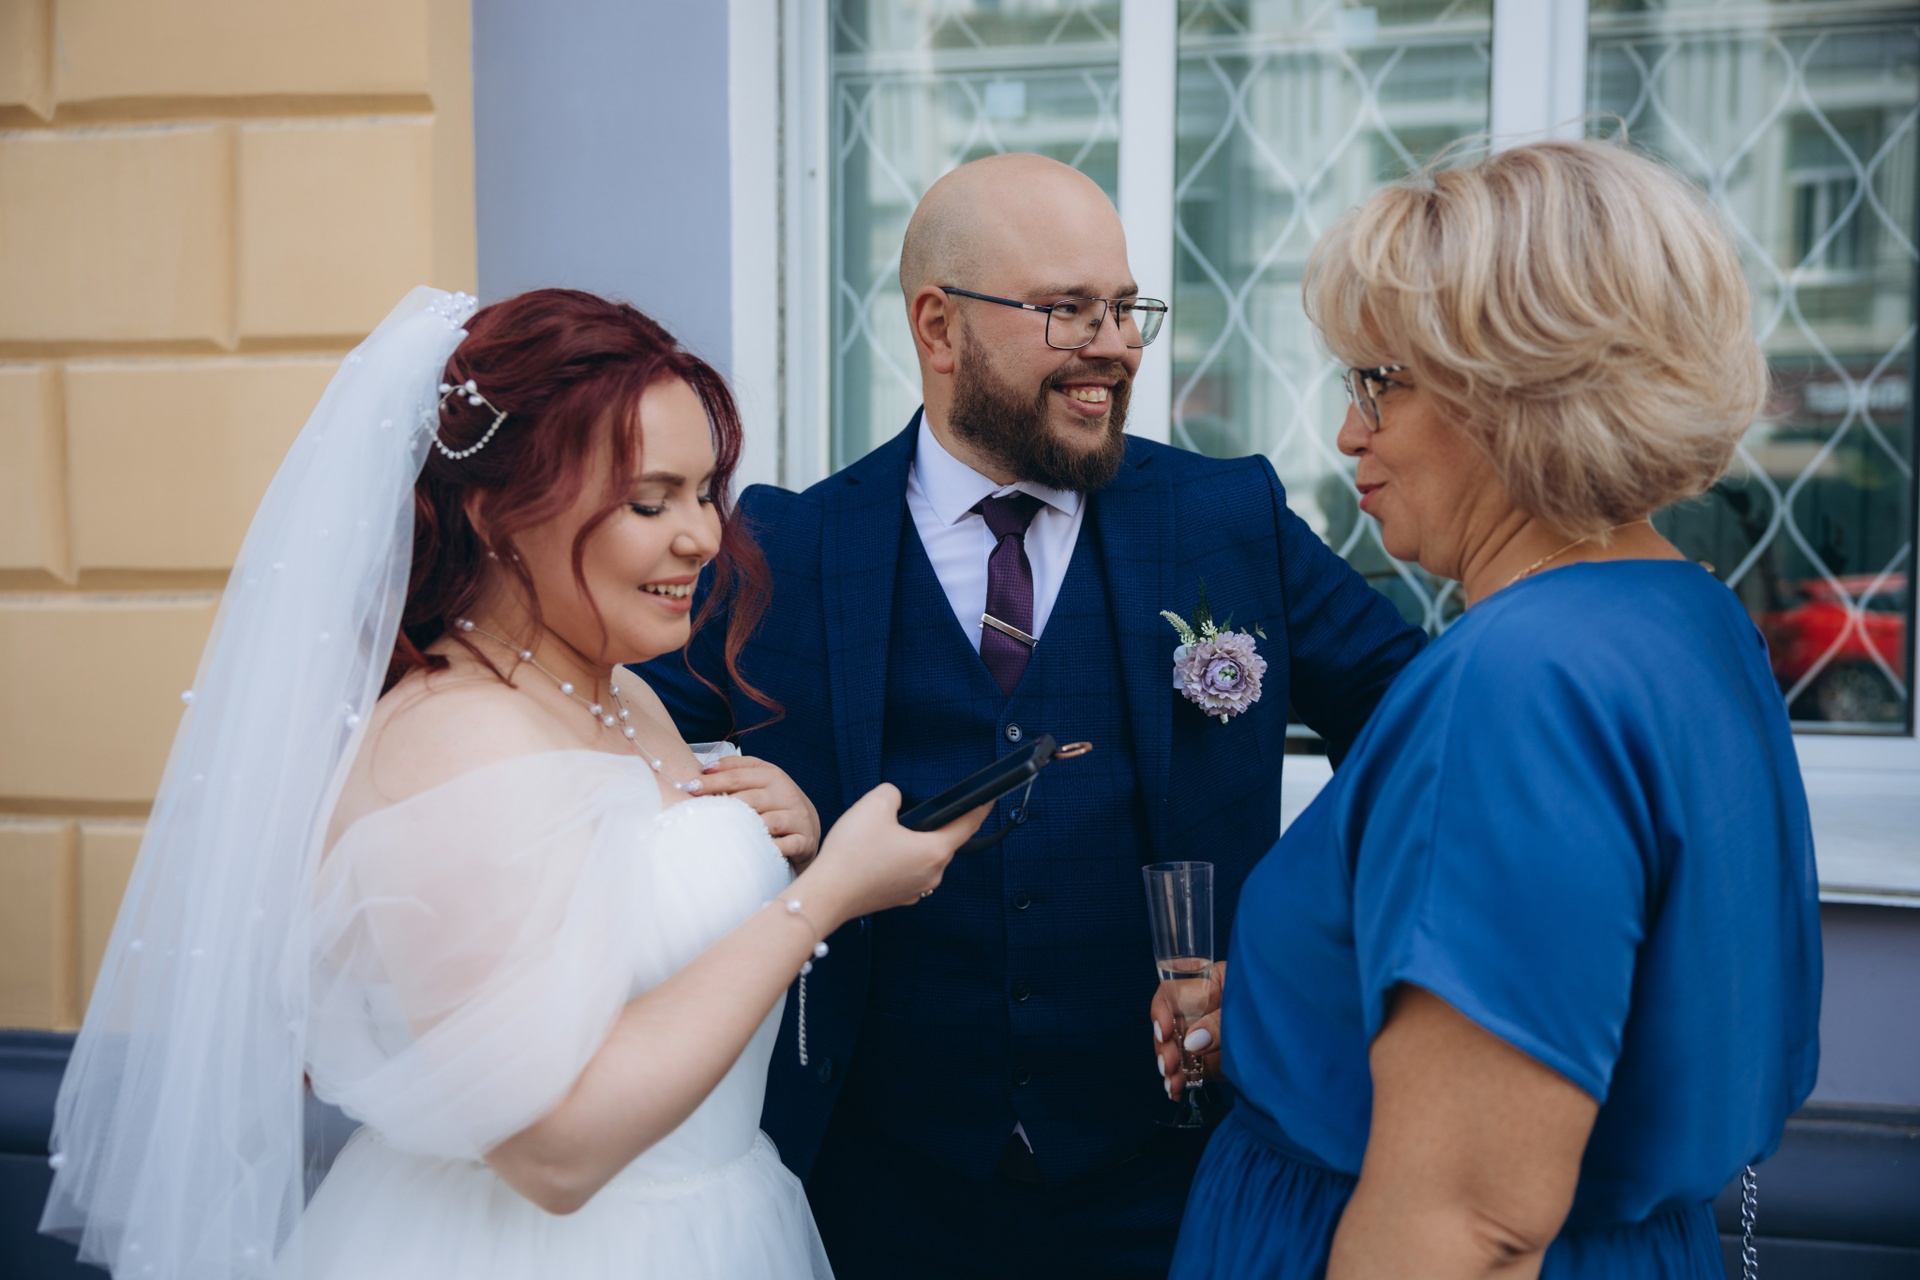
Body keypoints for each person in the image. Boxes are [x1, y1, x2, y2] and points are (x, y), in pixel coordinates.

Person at [42, 287, 989, 1279]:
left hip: (716, 1220)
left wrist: (773, 835)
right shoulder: (452, 741)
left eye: (706, 491)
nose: (704, 537)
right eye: (650, 501)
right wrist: (825, 895)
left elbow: (637, 923)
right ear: (497, 512)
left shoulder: (625, 692)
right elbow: (552, 1148)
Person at [640, 152, 1426, 1279]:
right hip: (873, 1198)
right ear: (939, 325)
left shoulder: (1231, 519)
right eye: (1069, 310)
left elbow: (1427, 739)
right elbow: (598, 727)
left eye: (1125, 308)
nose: (1117, 344)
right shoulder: (789, 548)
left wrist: (1292, 958)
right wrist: (709, 792)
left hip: (1172, 1191)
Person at [1165, 140, 1823, 1280]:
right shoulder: (1687, 615)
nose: (1348, 432)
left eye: (1378, 382)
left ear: (1516, 389)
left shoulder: (1516, 680)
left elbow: (1462, 1227)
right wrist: (1291, 1008)